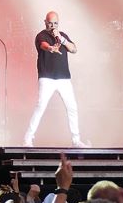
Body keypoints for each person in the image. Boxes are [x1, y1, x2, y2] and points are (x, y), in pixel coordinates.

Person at [23, 11, 88, 148]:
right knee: (41, 106)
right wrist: (50, 48)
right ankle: (28, 139)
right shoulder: (41, 35)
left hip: (64, 79)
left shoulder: (62, 35)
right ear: (45, 22)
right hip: (47, 78)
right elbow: (43, 45)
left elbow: (74, 49)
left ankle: (76, 140)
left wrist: (62, 40)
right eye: (50, 23)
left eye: (55, 23)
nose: (53, 26)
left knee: (72, 107)